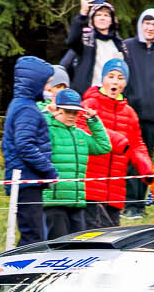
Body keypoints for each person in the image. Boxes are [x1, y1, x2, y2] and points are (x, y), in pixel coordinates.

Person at [83, 59, 154, 229]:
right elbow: (82, 132)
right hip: (91, 188)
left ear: (125, 83)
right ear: (103, 79)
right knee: (91, 237)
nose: (115, 81)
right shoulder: (89, 105)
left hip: (115, 192)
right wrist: (116, 140)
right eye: (111, 76)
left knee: (111, 236)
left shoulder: (129, 113)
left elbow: (136, 144)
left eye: (120, 78)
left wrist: (146, 168)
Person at [1, 56, 61, 246]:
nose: (49, 88)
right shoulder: (27, 110)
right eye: (47, 83)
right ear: (35, 83)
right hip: (26, 179)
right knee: (33, 239)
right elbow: (25, 145)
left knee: (36, 235)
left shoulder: (22, 105)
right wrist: (48, 170)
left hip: (29, 180)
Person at [121, 6, 154, 212]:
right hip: (129, 115)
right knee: (128, 159)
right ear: (140, 24)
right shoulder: (127, 47)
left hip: (152, 118)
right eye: (147, 23)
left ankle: (139, 203)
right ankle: (128, 203)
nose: (150, 28)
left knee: (145, 161)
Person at [41, 88, 111, 239]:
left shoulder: (80, 135)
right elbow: (38, 129)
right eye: (68, 111)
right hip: (54, 202)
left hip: (77, 202)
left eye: (75, 112)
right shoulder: (49, 131)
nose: (72, 116)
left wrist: (93, 121)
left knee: (77, 244)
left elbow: (104, 146)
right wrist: (47, 114)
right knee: (57, 244)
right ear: (57, 110)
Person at [60, 0, 126, 95]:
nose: (102, 18)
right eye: (98, 15)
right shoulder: (86, 41)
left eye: (106, 15)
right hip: (88, 95)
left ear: (111, 20)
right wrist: (83, 13)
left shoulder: (120, 44)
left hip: (112, 95)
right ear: (93, 19)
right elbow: (71, 41)